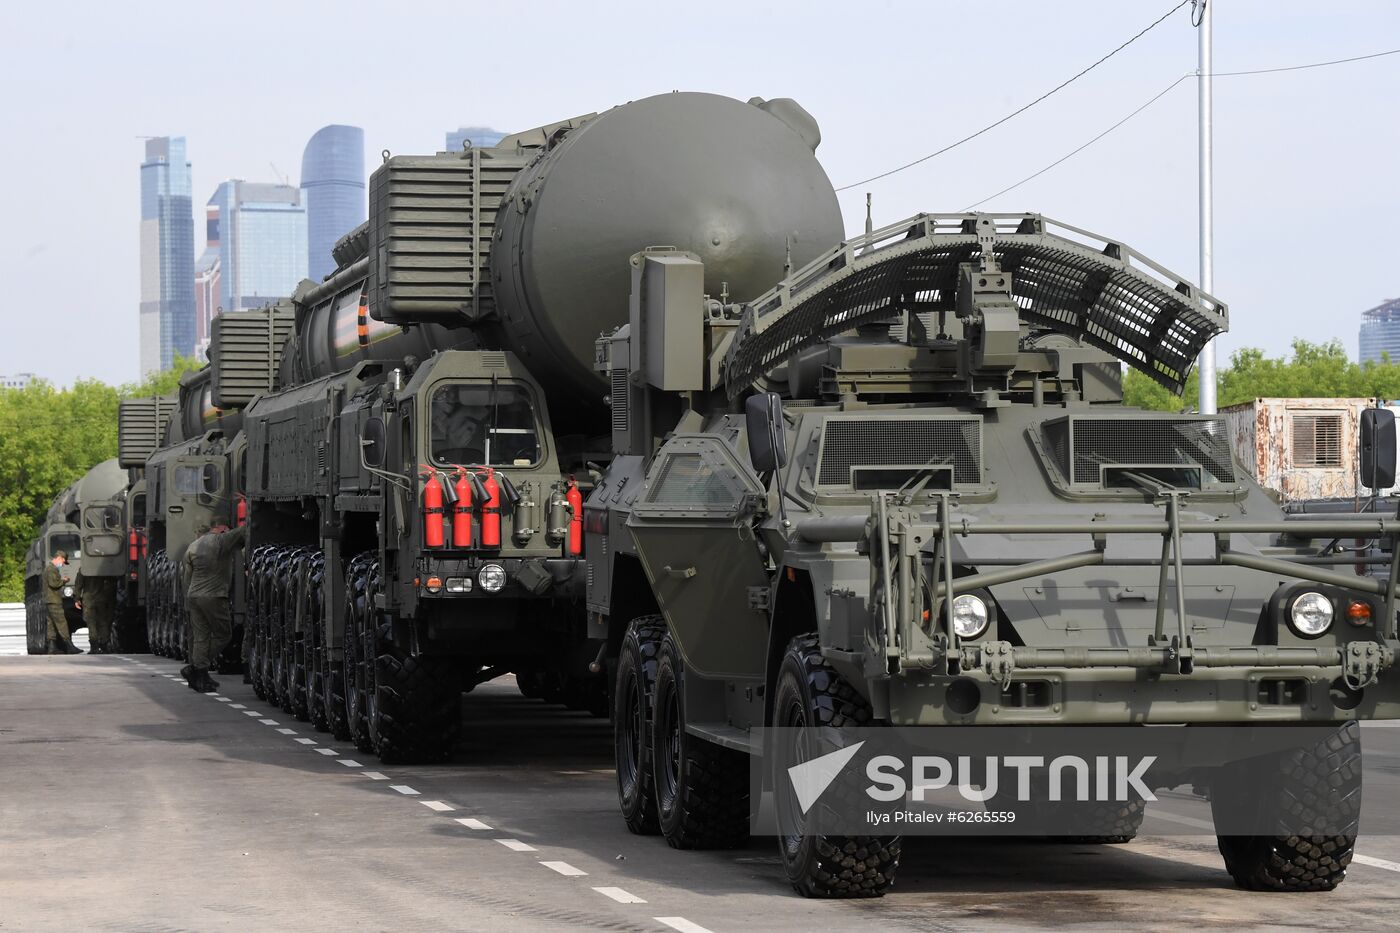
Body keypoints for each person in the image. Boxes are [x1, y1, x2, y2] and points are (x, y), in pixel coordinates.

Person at [180, 522, 248, 692]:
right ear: (222, 527)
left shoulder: (193, 545)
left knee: (201, 637)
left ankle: (200, 677)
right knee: (223, 634)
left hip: (194, 596)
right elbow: (244, 531)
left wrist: (188, 601)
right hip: (213, 596)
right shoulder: (221, 540)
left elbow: (186, 577)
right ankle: (196, 668)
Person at [43, 551, 81, 654]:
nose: (63, 564)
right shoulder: (51, 569)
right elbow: (54, 584)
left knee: (51, 624)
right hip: (54, 600)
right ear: (59, 558)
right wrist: (64, 581)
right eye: (63, 561)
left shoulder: (49, 568)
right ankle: (69, 646)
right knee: (61, 622)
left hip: (50, 600)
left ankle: (52, 647)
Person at [73, 568, 117, 655]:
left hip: (88, 599)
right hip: (101, 598)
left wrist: (77, 599)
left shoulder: (84, 569)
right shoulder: (102, 569)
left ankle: (94, 647)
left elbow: (78, 585)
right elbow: (111, 583)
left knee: (91, 623)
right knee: (102, 622)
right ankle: (104, 645)